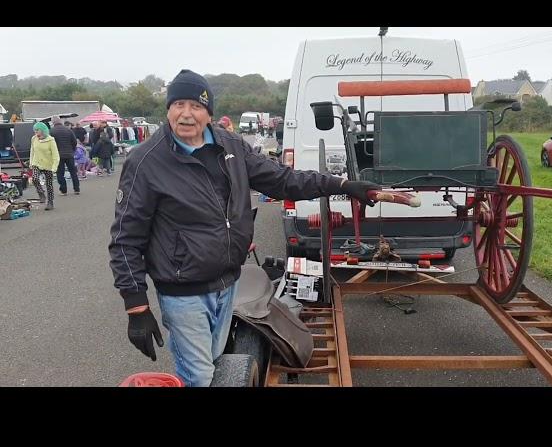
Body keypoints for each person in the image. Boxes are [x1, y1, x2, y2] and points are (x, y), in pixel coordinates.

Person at [108, 69, 378, 387]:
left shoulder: (230, 146)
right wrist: (136, 306)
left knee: (216, 359)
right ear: (167, 109)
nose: (185, 114)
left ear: (208, 112)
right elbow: (126, 238)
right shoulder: (146, 161)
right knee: (198, 377)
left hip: (228, 282)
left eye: (195, 106)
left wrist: (342, 184)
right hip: (184, 293)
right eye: (177, 104)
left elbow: (283, 179)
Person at [29, 122, 60, 211]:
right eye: (34, 130)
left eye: (37, 130)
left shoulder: (51, 140)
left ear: (43, 130)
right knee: (34, 178)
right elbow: (32, 151)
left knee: (49, 184)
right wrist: (31, 162)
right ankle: (41, 193)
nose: (36, 132)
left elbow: (56, 155)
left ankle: (50, 202)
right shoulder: (33, 139)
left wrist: (54, 167)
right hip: (36, 162)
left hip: (48, 164)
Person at [50, 115, 81, 195]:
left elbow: (50, 145)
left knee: (60, 173)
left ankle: (63, 190)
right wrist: (72, 150)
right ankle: (76, 189)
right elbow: (74, 142)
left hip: (58, 155)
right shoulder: (68, 130)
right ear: (60, 121)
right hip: (69, 154)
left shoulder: (52, 131)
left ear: (53, 122)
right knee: (73, 172)